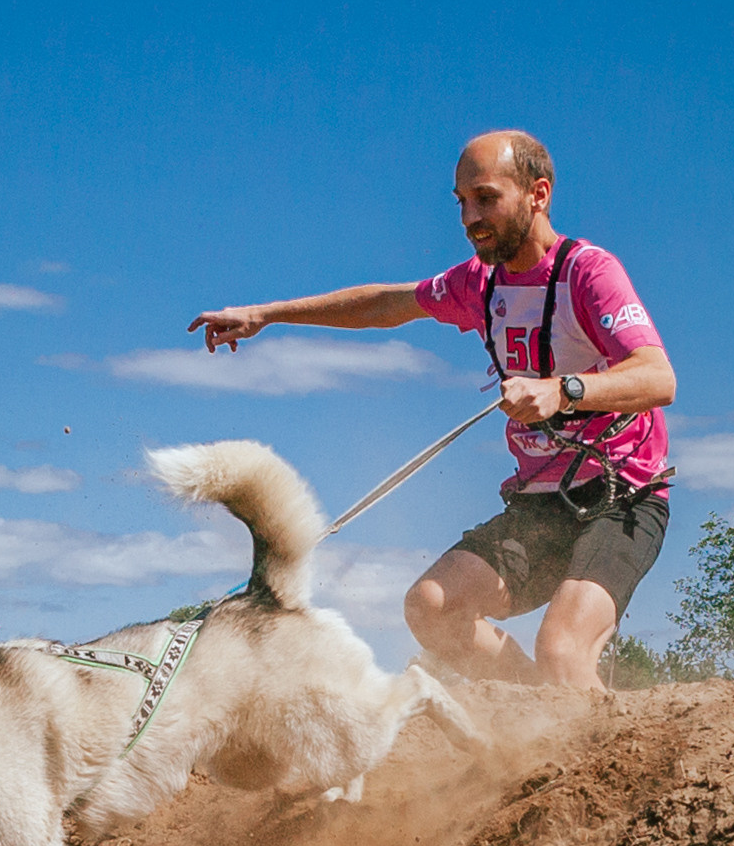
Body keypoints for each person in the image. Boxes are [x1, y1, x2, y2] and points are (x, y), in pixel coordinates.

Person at [191, 128, 676, 691]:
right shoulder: (479, 283)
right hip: (542, 507)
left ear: (538, 194)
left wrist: (563, 389)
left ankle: (591, 732)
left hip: (623, 499)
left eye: (486, 198)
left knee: (563, 652)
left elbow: (658, 377)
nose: (470, 217)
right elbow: (387, 304)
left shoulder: (588, 273)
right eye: (461, 202)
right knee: (430, 606)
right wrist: (266, 314)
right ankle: (537, 712)